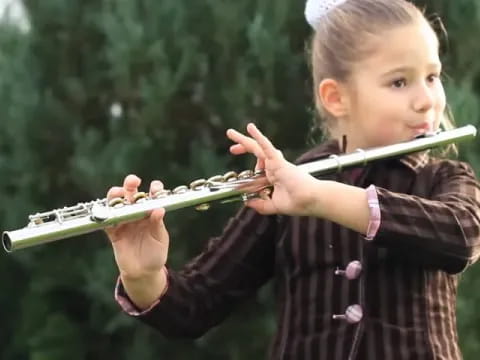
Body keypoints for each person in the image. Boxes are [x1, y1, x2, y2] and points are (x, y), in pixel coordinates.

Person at [106, 0, 480, 359]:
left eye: (432, 77)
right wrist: (144, 275)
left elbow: (462, 237)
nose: (426, 100)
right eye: (399, 82)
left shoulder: (444, 177)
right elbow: (195, 307)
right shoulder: (291, 183)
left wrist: (320, 199)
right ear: (336, 97)